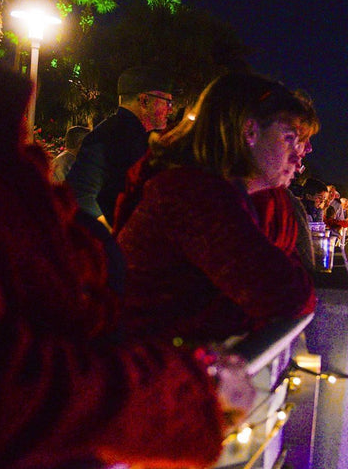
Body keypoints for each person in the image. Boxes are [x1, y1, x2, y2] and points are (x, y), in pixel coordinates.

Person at [0, 53, 252, 469]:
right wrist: (185, 391)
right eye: (163, 101)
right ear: (144, 101)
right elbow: (3, 389)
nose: (169, 110)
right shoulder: (118, 136)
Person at [113, 71, 317, 343]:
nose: (298, 152)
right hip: (145, 366)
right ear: (249, 131)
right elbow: (287, 295)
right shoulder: (195, 197)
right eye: (289, 137)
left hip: (162, 360)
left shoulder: (212, 191)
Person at [67, 65, 174, 227]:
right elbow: (80, 195)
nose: (170, 110)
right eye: (167, 102)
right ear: (144, 100)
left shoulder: (110, 134)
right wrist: (111, 238)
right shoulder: (108, 137)